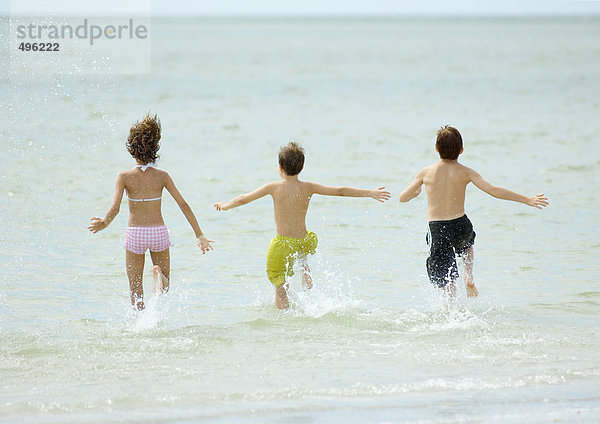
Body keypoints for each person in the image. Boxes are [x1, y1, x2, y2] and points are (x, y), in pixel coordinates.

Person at [214, 142, 391, 309]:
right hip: (304, 240)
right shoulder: (309, 187)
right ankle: (309, 290)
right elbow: (340, 191)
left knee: (280, 284)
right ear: (302, 167)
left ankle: (284, 317)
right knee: (303, 261)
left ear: (280, 168)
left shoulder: (273, 187)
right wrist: (370, 193)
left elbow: (243, 198)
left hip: (283, 243)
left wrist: (225, 205)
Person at [399, 126, 548, 300]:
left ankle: (449, 314)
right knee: (467, 246)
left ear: (436, 148)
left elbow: (403, 197)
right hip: (460, 223)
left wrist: (416, 192)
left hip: (438, 228)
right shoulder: (466, 172)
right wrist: (527, 199)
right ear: (461, 150)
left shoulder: (426, 173)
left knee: (447, 282)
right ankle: (468, 276)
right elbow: (493, 190)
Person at [88, 113, 214, 310]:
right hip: (158, 232)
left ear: (131, 148)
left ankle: (139, 324)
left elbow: (115, 208)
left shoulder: (124, 177)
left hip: (135, 234)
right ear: (155, 147)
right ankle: (159, 279)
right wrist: (199, 234)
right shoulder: (162, 176)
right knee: (166, 286)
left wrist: (103, 223)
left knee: (135, 288)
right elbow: (184, 205)